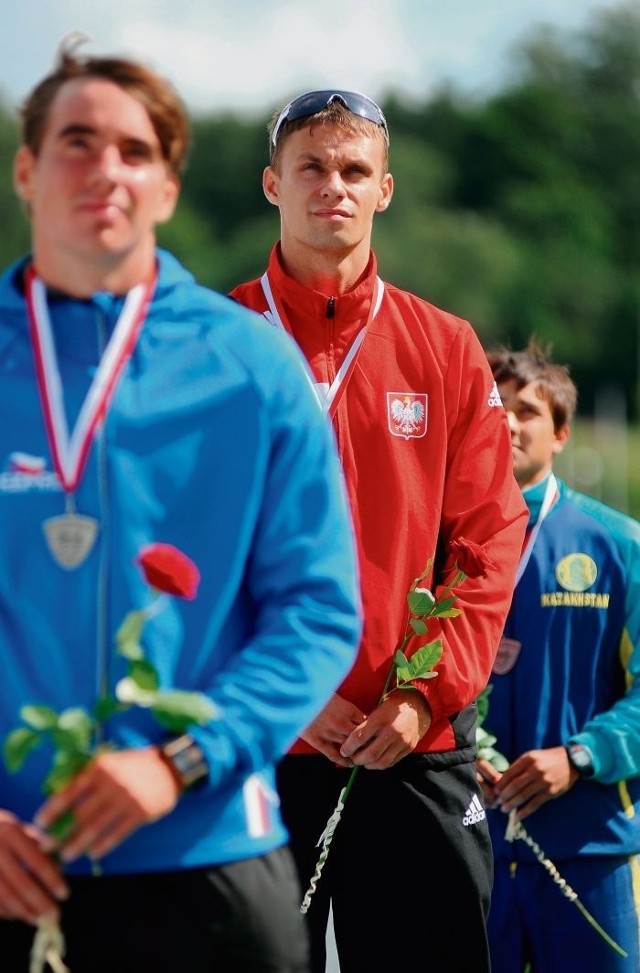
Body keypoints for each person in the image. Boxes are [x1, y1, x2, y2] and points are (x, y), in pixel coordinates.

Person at [0, 40, 363, 973]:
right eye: (77, 142)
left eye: (136, 151)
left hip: (204, 854)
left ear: (167, 187)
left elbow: (318, 612)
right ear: (27, 169)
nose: (106, 170)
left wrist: (181, 760)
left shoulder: (251, 366)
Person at [230, 89, 528, 973]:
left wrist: (420, 695)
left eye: (354, 170)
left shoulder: (444, 346)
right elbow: (176, 552)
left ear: (386, 188)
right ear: (271, 185)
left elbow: (488, 537)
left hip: (412, 739)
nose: (335, 187)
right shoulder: (209, 342)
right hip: (254, 737)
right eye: (311, 168)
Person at [477, 339, 640, 972]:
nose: (509, 422)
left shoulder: (617, 544)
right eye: (495, 406)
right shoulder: (440, 542)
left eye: (528, 411)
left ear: (562, 434)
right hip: (473, 841)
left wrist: (580, 757)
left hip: (587, 847)